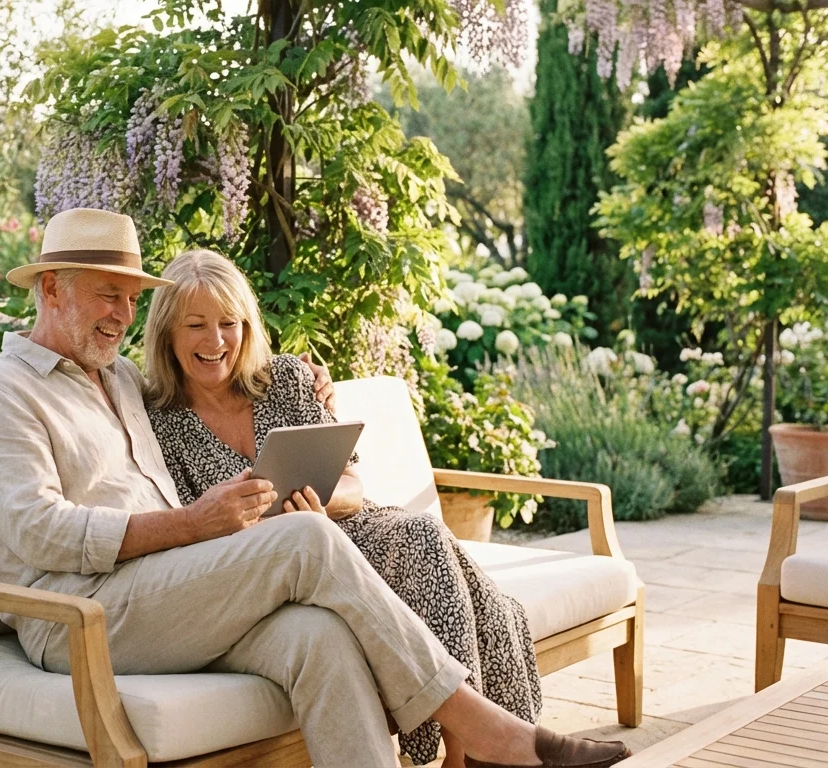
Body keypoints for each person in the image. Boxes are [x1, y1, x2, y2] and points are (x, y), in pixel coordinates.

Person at [0, 207, 630, 768]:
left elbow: (213, 374)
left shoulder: (121, 379)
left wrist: (303, 380)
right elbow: (39, 530)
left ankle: (463, 737)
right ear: (51, 289)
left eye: (131, 299)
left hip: (164, 593)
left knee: (318, 636)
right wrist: (194, 524)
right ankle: (481, 727)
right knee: (303, 534)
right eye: (108, 294)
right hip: (81, 617)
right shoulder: (0, 393)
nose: (123, 314)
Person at [143, 249, 544, 767]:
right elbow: (194, 530)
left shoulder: (286, 380)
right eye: (195, 325)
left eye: (228, 323)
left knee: (421, 537)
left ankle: (462, 753)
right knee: (435, 553)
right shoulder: (159, 422)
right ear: (167, 332)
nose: (215, 340)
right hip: (269, 566)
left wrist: (315, 505)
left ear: (246, 326)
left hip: (348, 526)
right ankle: (480, 748)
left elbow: (353, 483)